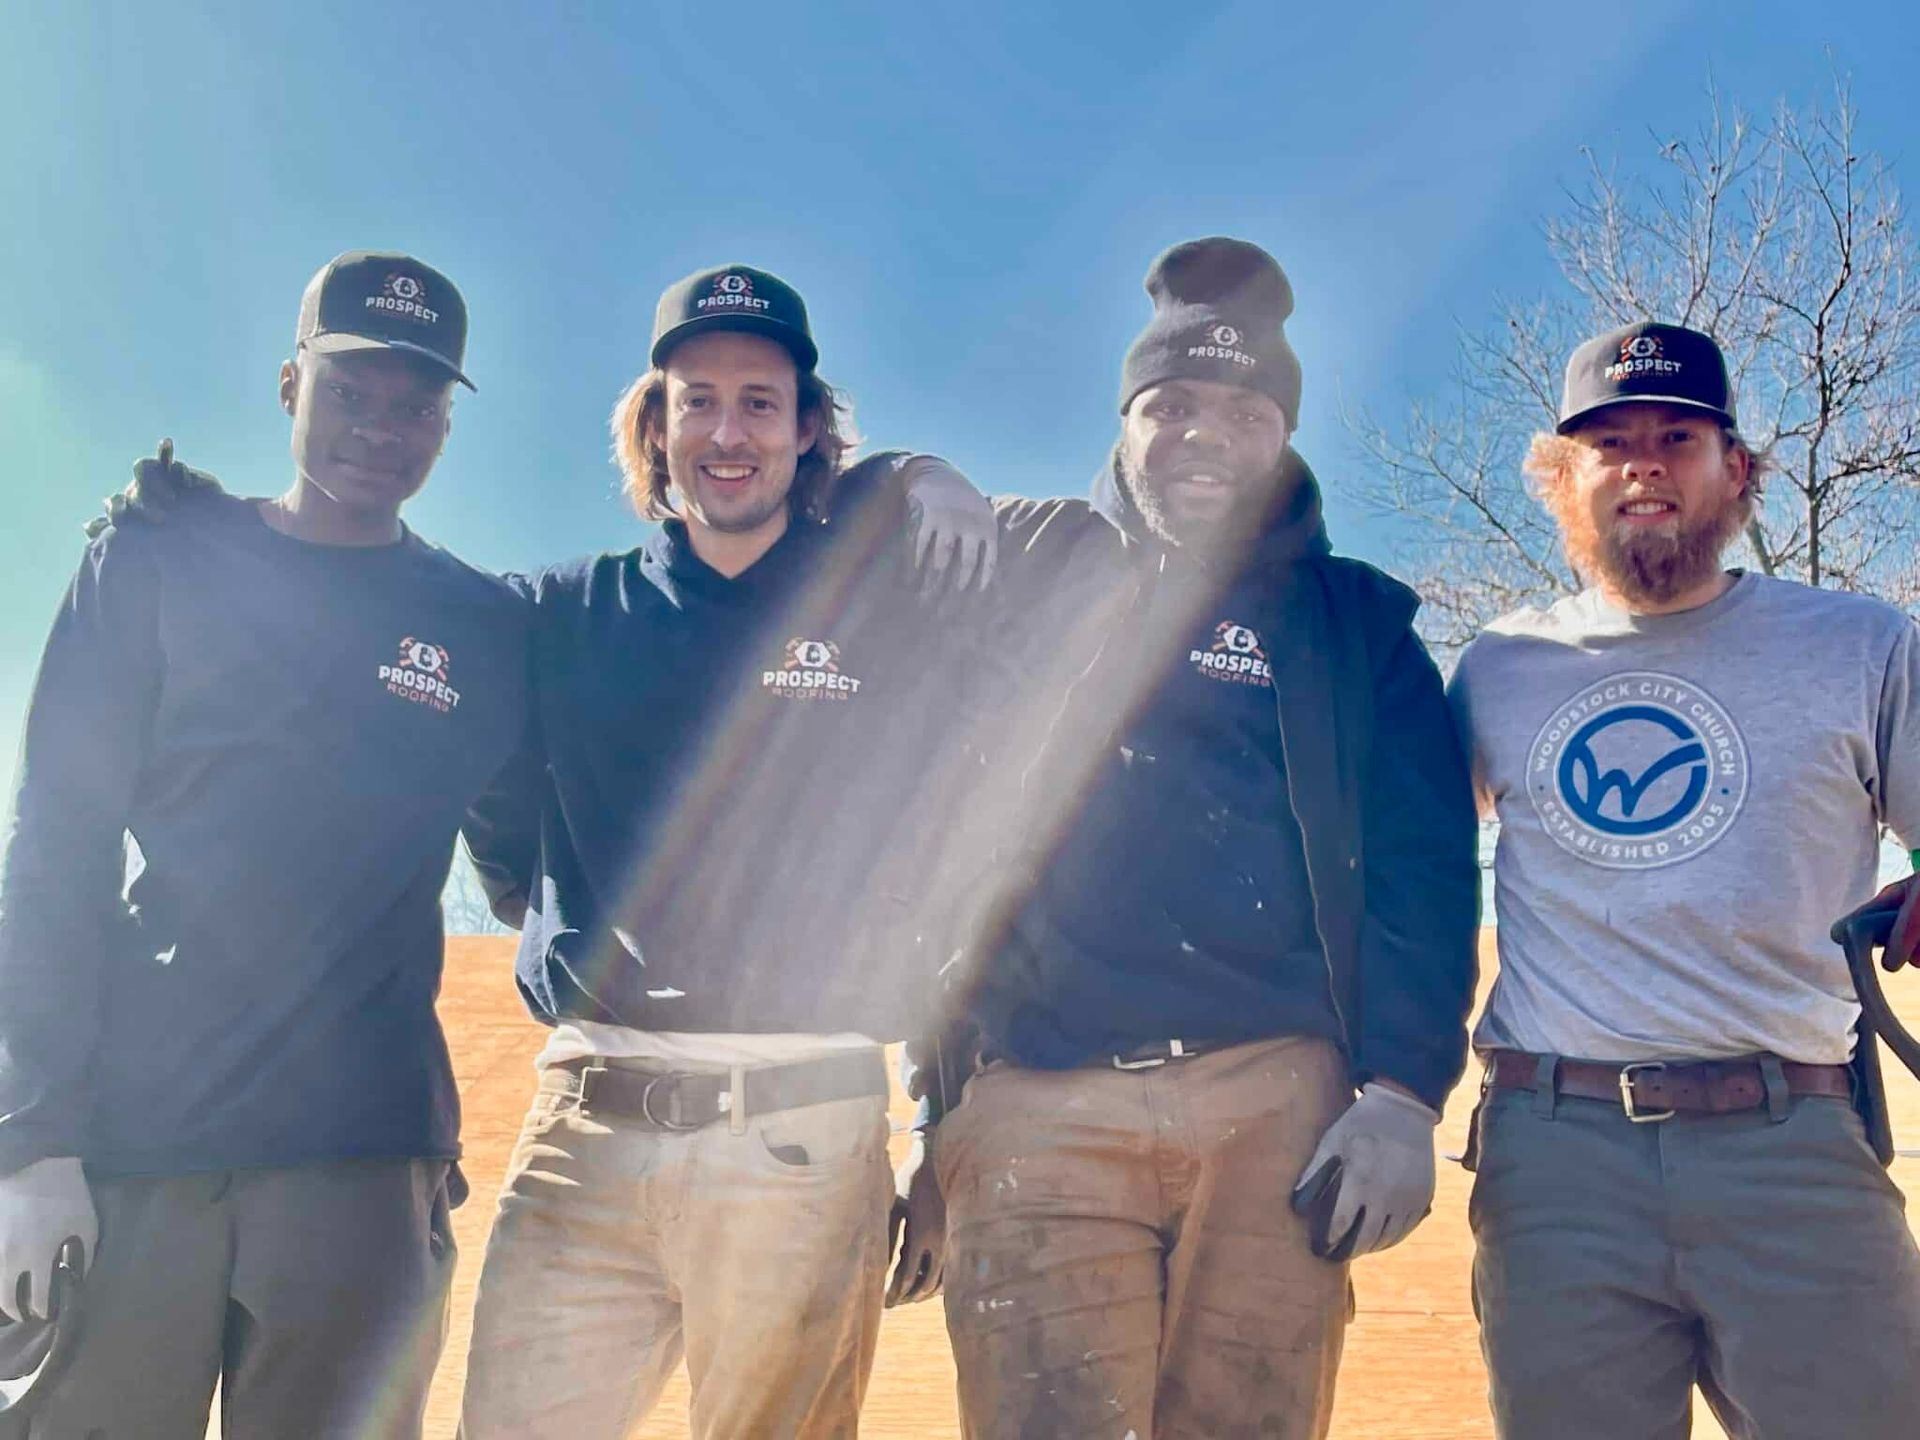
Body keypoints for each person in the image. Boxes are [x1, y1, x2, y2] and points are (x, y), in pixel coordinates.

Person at [905, 237, 1481, 1440]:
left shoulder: (1357, 621)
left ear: (1283, 433)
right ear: (1125, 420)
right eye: (1169, 405)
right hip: (1036, 1102)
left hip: (1273, 1109)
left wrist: (1402, 1096)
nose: (1203, 433)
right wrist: (899, 474)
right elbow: (797, 538)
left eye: (1242, 408)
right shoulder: (1023, 557)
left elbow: (1423, 871)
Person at [454, 262, 997, 1439]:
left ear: (810, 430)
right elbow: (495, 811)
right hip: (583, 1137)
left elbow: (957, 876)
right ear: (656, 425)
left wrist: (939, 1131)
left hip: (804, 1135)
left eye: (761, 400)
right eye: (696, 399)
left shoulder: (887, 620)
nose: (727, 431)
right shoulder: (562, 615)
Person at [0, 251, 528, 1437]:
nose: (380, 430)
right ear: (290, 383)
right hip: (141, 1150)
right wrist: (30, 1148)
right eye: (350, 392)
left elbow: (531, 856)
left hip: (362, 1168)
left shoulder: (483, 628)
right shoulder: (153, 559)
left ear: (446, 420)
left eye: (417, 404)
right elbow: (56, 848)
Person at [1449, 319, 1920, 1438]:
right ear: (1564, 479)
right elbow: (1388, 868)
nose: (1645, 464)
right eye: (1610, 444)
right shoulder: (1496, 668)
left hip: (1792, 1140)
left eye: (1678, 437)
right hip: (1554, 1160)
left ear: (1738, 470)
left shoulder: (1862, 644)